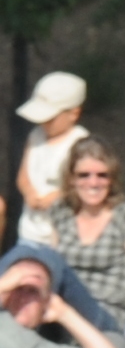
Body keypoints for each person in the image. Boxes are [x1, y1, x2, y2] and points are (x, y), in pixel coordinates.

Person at [38, 138, 125, 321]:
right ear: (71, 179)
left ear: (112, 179)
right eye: (83, 175)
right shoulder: (61, 212)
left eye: (102, 175)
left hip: (106, 312)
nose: (93, 183)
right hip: (62, 309)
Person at [13, 70, 88, 243]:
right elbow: (23, 175)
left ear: (73, 114)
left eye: (50, 118)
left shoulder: (80, 143)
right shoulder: (35, 136)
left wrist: (57, 196)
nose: (44, 123)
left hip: (61, 234)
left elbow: (84, 185)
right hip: (29, 231)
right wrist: (29, 192)